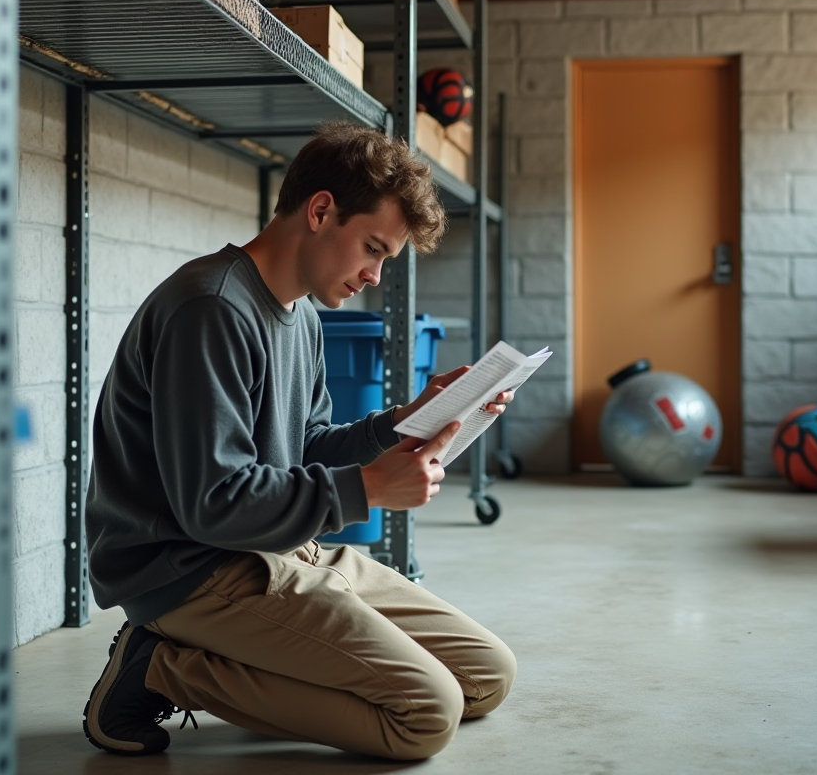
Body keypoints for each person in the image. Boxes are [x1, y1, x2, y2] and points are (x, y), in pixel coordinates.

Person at [80, 122, 516, 761]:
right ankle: (161, 668)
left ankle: (262, 660)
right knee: (426, 715)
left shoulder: (303, 316)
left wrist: (405, 421)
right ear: (320, 211)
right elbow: (213, 502)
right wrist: (368, 488)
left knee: (486, 675)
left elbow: (306, 445)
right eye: (372, 248)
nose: (374, 275)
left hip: (279, 544)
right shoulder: (211, 310)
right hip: (190, 568)